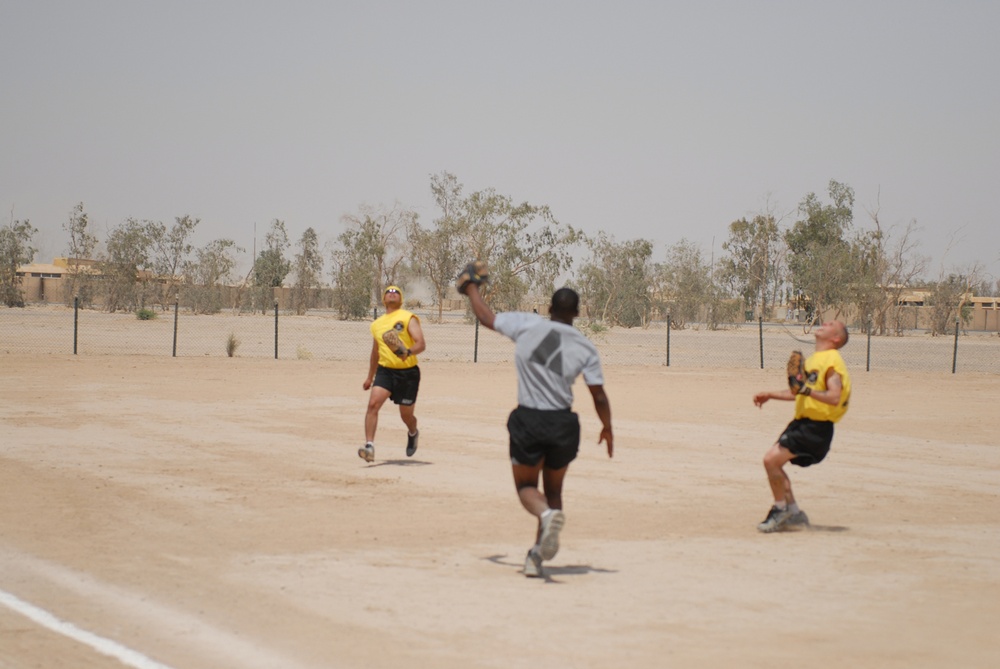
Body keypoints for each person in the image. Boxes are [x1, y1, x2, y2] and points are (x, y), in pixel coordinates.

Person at [463, 282, 613, 578]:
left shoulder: (528, 325)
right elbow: (598, 395)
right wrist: (608, 428)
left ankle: (545, 516)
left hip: (529, 420)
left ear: (549, 308)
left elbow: (486, 318)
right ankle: (535, 557)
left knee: (526, 489)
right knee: (553, 491)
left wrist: (471, 290)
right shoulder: (585, 345)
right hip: (563, 424)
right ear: (577, 313)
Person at [753, 320, 851, 532]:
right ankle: (794, 513)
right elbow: (798, 391)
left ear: (836, 338)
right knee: (774, 464)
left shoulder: (832, 360)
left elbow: (834, 396)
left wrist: (805, 390)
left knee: (771, 460)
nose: (825, 322)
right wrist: (770, 394)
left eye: (832, 324)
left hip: (816, 427)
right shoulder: (815, 360)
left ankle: (780, 510)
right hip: (803, 423)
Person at [359, 285, 426, 463]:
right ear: (384, 298)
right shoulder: (377, 325)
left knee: (406, 415)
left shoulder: (408, 318)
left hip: (408, 374)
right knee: (373, 404)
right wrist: (369, 377)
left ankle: (413, 432)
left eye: (396, 292)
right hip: (385, 371)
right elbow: (375, 353)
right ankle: (369, 446)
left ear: (401, 299)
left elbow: (421, 344)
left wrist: (408, 353)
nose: (392, 293)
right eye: (389, 291)